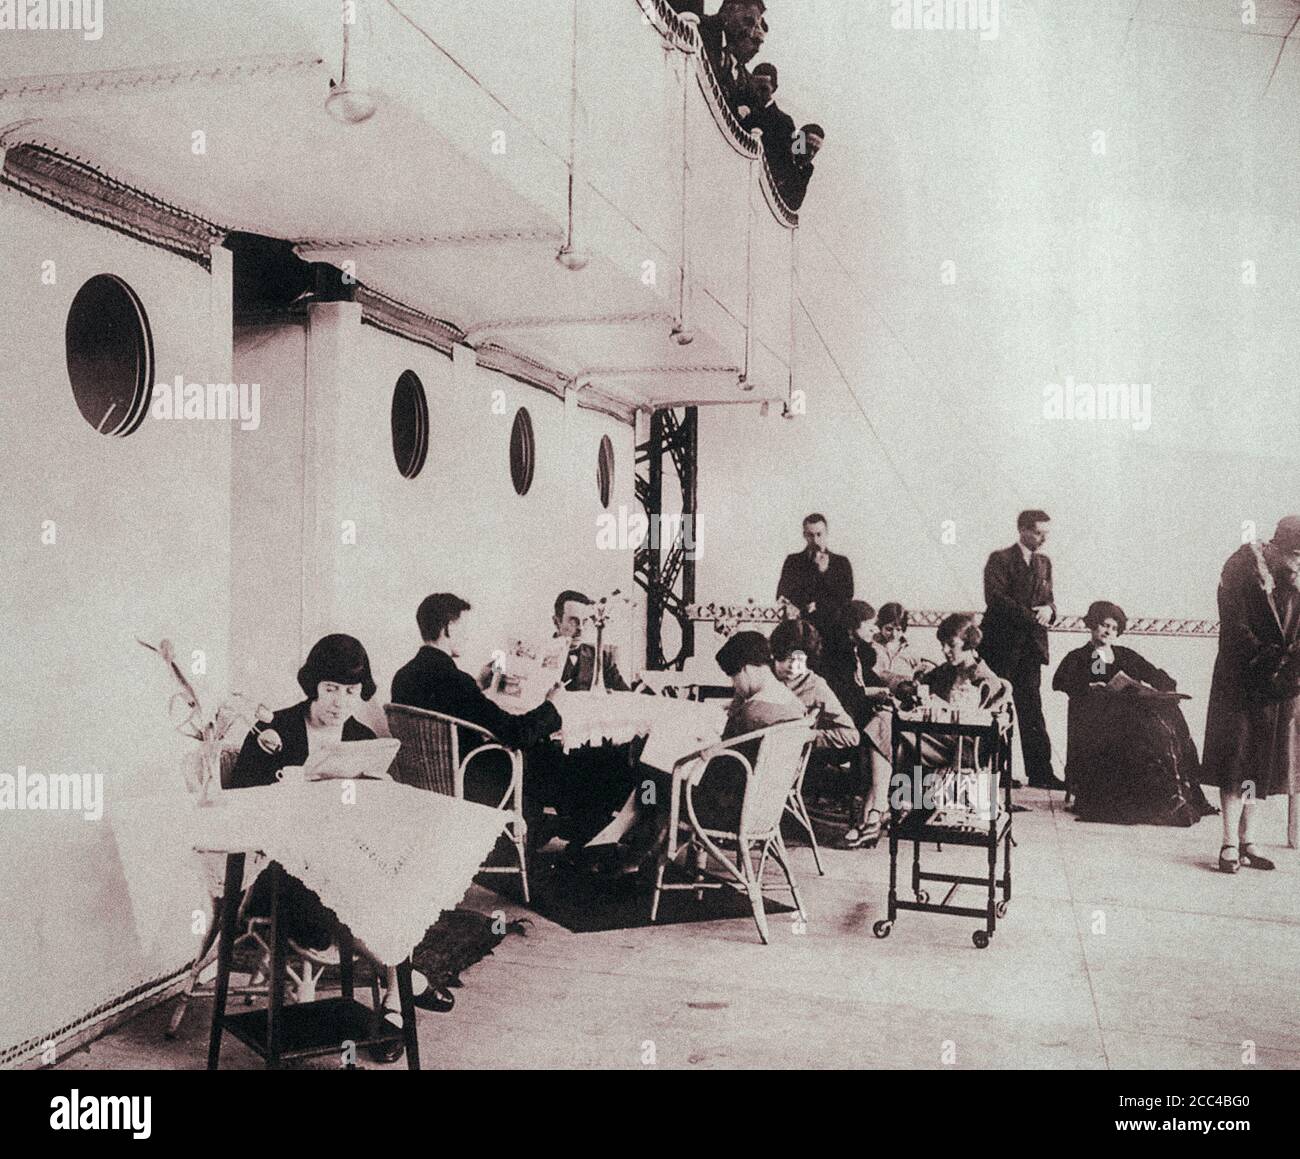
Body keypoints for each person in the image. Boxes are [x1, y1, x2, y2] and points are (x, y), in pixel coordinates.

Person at [230, 634, 452, 1063]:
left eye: (351, 692)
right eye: (331, 689)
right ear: (313, 685)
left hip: (342, 864)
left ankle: (392, 1001)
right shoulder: (273, 730)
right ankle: (404, 980)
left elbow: (369, 819)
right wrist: (288, 790)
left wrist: (379, 793)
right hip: (281, 874)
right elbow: (240, 804)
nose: (339, 702)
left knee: (394, 872)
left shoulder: (361, 736)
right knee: (352, 890)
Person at [1052, 601, 1214, 826]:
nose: (1108, 631)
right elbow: (1059, 682)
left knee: (1170, 714)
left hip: (1130, 720)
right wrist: (1088, 687)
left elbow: (1157, 674)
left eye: (1114, 628)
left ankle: (1179, 791)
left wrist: (1163, 689)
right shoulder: (1078, 656)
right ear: (1091, 625)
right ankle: (1153, 797)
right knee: (1140, 734)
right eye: (1103, 625)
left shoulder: (1125, 655)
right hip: (1097, 724)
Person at [1203, 518, 1300, 873]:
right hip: (1240, 680)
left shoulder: (1294, 576)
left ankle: (1249, 840)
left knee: (1260, 763)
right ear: (1276, 548)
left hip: (1281, 683)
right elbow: (1233, 628)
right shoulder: (1240, 567)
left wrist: (1290, 667)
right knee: (1235, 760)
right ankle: (1228, 842)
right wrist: (1270, 659)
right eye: (1296, 556)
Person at [981, 510, 1058, 789]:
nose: (1044, 538)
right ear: (1022, 530)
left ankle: (1041, 773)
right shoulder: (1000, 560)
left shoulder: (1044, 563)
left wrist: (1050, 612)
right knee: (996, 710)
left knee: (1032, 711)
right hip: (1000, 647)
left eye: (1047, 533)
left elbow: (1049, 601)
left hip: (1030, 650)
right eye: (1039, 532)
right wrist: (1033, 616)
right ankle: (996, 773)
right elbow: (996, 600)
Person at [822, 600, 895, 847]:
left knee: (884, 727)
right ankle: (869, 815)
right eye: (869, 625)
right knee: (876, 733)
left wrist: (893, 687)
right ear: (852, 627)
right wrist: (877, 693)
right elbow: (846, 693)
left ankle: (870, 814)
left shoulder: (861, 650)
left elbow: (869, 679)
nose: (873, 630)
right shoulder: (836, 653)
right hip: (843, 717)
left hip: (859, 713)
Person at [776, 512, 855, 643]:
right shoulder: (793, 562)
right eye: (811, 535)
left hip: (832, 632)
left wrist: (824, 573)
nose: (815, 540)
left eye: (819, 534)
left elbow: (847, 597)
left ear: (826, 533)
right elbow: (782, 594)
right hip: (801, 631)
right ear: (804, 535)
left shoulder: (841, 563)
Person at [698, 0, 767, 113]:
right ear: (728, 11)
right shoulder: (702, 31)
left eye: (753, 26)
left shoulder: (729, 54)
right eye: (747, 21)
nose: (750, 33)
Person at [553, 590, 629, 692]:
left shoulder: (601, 658)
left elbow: (625, 696)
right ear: (556, 622)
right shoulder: (537, 655)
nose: (581, 628)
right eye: (573, 621)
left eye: (585, 621)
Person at [740, 63, 797, 192]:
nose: (758, 93)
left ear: (774, 88)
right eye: (755, 88)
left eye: (764, 89)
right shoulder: (744, 112)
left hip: (763, 187)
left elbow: (786, 164)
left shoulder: (785, 122)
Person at [872, 602, 931, 690]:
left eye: (898, 630)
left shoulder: (911, 650)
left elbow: (921, 671)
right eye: (889, 629)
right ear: (880, 626)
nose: (894, 635)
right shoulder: (871, 646)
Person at [783, 123, 824, 210]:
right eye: (808, 146)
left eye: (815, 150)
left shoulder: (807, 169)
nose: (811, 153)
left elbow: (795, 204)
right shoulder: (781, 152)